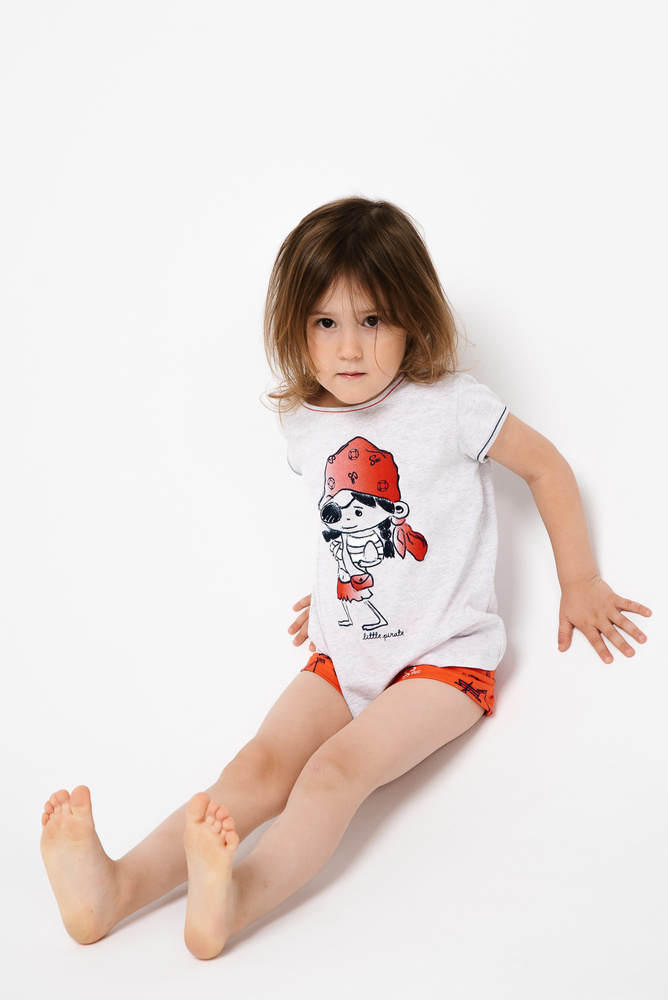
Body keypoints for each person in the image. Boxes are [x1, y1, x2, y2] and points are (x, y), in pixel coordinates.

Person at [40, 197, 651, 960]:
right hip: (344, 651)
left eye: (373, 320)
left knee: (332, 773)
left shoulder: (452, 407)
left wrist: (580, 580)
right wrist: (334, 590)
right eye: (326, 322)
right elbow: (344, 532)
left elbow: (547, 468)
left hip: (444, 664)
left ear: (412, 320)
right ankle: (115, 889)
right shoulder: (303, 424)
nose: (350, 347)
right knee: (255, 766)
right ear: (295, 329)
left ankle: (237, 899)